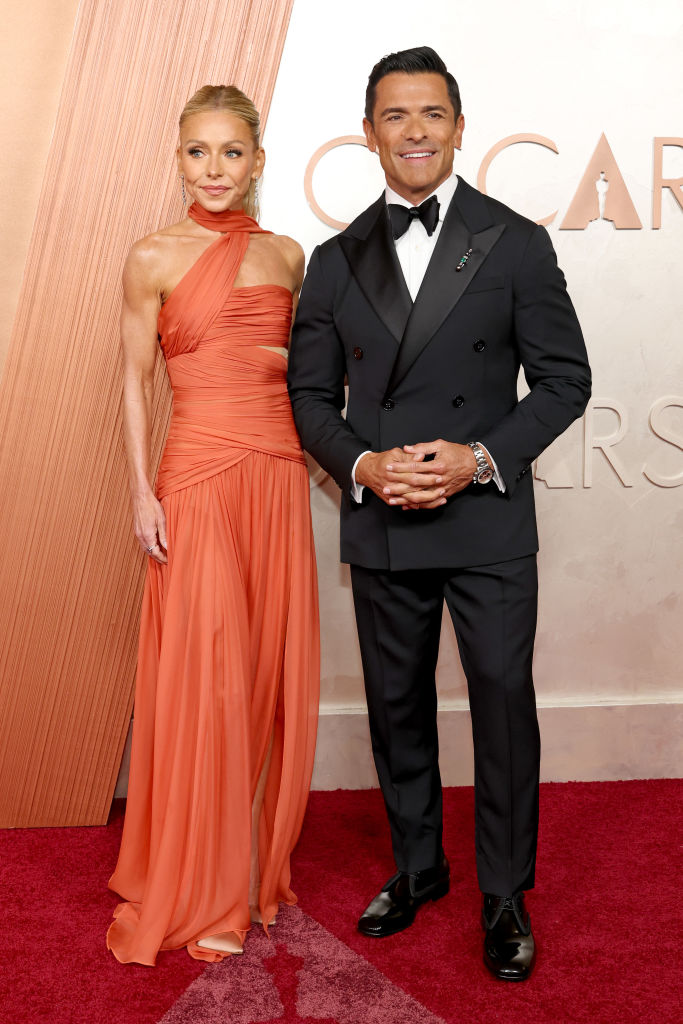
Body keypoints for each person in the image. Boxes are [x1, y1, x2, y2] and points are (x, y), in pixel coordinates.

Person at [288, 47, 590, 981]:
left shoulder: (515, 240)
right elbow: (306, 398)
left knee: (502, 705)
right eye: (394, 115)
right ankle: (417, 867)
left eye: (430, 114)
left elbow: (564, 380)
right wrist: (366, 466)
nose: (413, 131)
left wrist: (481, 457)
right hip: (384, 516)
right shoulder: (335, 262)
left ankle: (504, 891)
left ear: (459, 127)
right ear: (368, 132)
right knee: (396, 705)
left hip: (487, 519)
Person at [107, 85, 319, 965]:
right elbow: (129, 380)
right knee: (210, 678)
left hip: (274, 475)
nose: (215, 169)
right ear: (178, 157)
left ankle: (242, 875)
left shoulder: (288, 256)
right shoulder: (152, 256)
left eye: (231, 152)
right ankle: (202, 887)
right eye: (198, 152)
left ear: (258, 161)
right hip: (192, 477)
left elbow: (301, 374)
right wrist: (139, 492)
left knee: (265, 674)